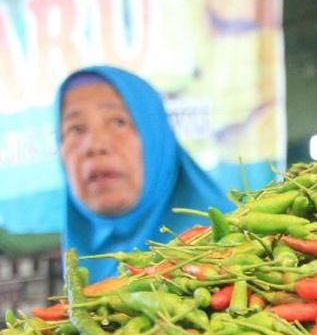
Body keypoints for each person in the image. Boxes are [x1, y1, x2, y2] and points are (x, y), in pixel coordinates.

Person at [56, 65, 234, 280]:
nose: (95, 146)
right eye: (75, 128)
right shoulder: (79, 264)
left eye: (118, 122)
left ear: (156, 137)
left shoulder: (231, 239)